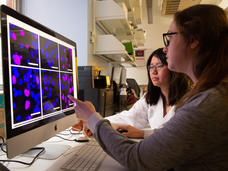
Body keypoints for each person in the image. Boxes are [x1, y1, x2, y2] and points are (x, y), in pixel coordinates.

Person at [69, 4, 228, 170]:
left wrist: (93, 118)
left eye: (170, 37)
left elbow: (136, 158)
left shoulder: (207, 104)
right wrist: (96, 120)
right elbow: (129, 118)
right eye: (151, 67)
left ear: (194, 41)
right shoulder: (211, 94)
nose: (165, 48)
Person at [83, 48, 190, 139]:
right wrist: (97, 122)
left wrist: (142, 134)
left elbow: (178, 134)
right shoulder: (151, 98)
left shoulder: (188, 100)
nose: (153, 72)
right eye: (151, 67)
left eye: (159, 66)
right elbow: (129, 117)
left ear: (173, 68)